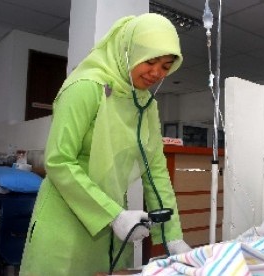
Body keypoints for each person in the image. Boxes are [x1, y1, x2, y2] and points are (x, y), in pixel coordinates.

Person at [19, 13, 191, 276]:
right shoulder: (85, 87)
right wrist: (114, 215)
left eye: (166, 66)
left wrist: (171, 235)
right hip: (66, 219)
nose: (157, 72)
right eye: (151, 61)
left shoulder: (147, 105)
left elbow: (155, 171)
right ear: (128, 52)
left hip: (113, 227)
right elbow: (59, 161)